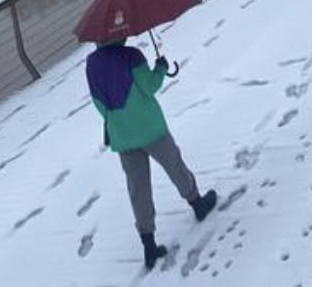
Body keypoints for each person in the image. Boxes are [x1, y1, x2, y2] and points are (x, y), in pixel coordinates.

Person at [86, 37, 217, 269]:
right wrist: (161, 67)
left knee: (138, 189)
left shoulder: (92, 64)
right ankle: (197, 204)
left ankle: (148, 244)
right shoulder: (131, 56)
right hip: (150, 128)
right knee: (174, 165)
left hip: (122, 135)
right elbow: (149, 86)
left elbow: (98, 103)